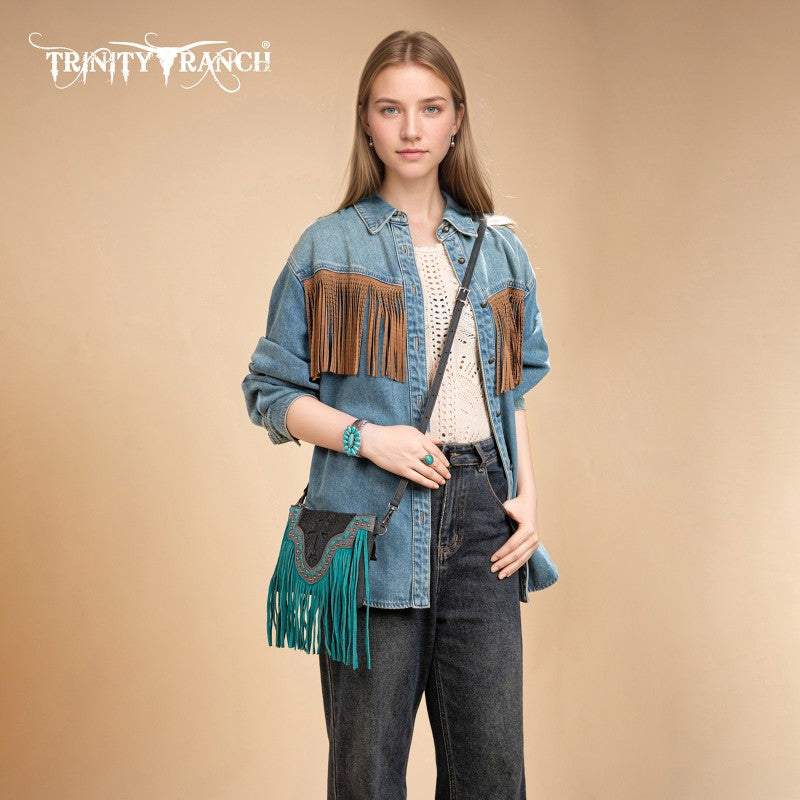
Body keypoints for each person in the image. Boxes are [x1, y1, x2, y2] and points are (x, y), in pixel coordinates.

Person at [242, 29, 553, 800]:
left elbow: (511, 389)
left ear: (456, 119)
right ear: (367, 120)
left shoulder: (498, 249)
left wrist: (527, 494)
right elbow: (270, 391)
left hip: (483, 517)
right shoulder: (327, 246)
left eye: (430, 108)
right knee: (367, 775)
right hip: (368, 523)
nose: (412, 129)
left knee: (492, 776)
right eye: (391, 109)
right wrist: (366, 437)